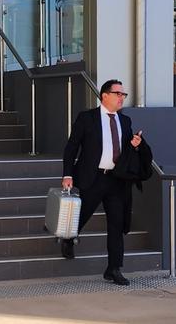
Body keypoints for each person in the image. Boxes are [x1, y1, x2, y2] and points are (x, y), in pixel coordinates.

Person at [61, 79, 142, 286]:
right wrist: (67, 174)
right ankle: (69, 238)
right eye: (118, 94)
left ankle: (113, 268)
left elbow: (125, 152)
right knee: (83, 214)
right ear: (104, 95)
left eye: (123, 95)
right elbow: (72, 148)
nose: (122, 97)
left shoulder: (125, 121)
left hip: (116, 180)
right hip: (93, 177)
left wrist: (134, 145)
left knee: (116, 224)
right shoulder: (87, 118)